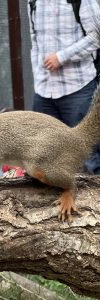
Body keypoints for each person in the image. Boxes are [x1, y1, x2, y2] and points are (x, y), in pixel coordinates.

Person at [27, 0, 100, 174]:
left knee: (89, 157)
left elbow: (97, 35)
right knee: (45, 156)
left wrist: (62, 57)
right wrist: (38, 77)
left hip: (78, 88)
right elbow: (34, 39)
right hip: (44, 91)